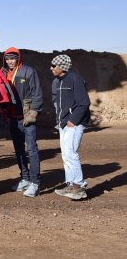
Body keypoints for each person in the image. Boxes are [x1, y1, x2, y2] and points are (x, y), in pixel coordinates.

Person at [3, 47, 43, 197]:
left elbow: (37, 94)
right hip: (13, 119)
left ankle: (35, 182)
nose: (10, 61)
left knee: (32, 150)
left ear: (18, 58)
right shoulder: (4, 73)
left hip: (27, 118)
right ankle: (25, 178)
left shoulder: (28, 71)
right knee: (19, 150)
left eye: (13, 58)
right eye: (7, 59)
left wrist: (33, 113)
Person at [50, 54, 91, 201]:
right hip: (63, 123)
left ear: (62, 66)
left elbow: (84, 103)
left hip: (74, 124)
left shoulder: (75, 79)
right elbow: (58, 102)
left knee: (71, 154)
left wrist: (73, 121)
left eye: (54, 65)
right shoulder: (58, 81)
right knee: (66, 155)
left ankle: (79, 186)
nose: (51, 68)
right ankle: (71, 185)